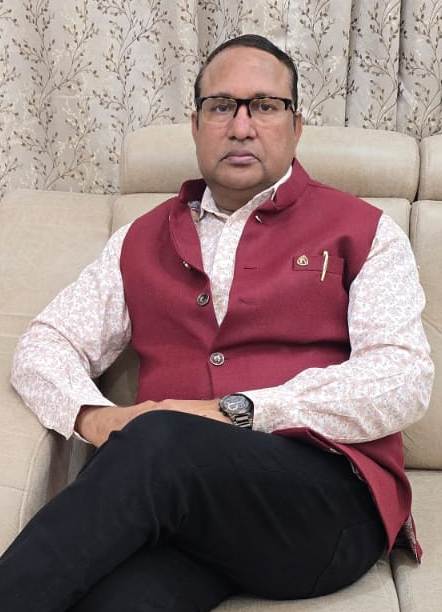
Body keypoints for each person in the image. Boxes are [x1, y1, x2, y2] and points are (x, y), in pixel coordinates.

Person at [0, 34, 434, 612]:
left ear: (296, 127)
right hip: (186, 514)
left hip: (322, 506)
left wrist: (237, 410)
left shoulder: (366, 231)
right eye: (222, 106)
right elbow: (46, 343)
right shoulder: (139, 239)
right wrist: (96, 418)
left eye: (265, 106)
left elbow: (402, 378)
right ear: (196, 124)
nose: (241, 126)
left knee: (158, 439)